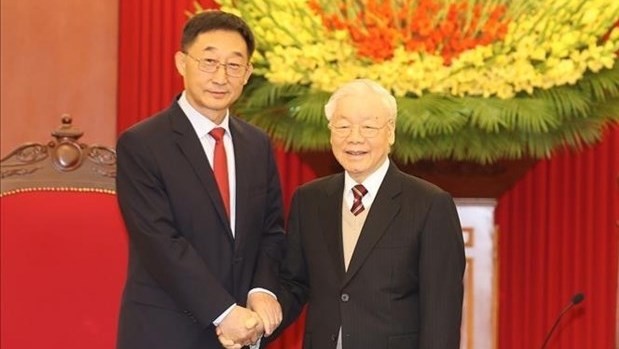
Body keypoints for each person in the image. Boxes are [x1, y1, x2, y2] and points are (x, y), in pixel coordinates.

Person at [115, 10, 285, 349]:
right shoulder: (142, 143)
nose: (221, 77)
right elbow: (160, 242)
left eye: (234, 65)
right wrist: (224, 313)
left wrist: (262, 290)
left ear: (248, 73)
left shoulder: (256, 144)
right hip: (166, 331)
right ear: (181, 62)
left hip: (243, 332)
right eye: (209, 61)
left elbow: (271, 229)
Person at [276, 79, 466, 349]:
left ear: (390, 133)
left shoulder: (429, 204)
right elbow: (294, 283)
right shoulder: (309, 200)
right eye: (342, 126)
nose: (354, 137)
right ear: (330, 132)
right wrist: (258, 321)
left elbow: (441, 312)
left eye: (368, 127)